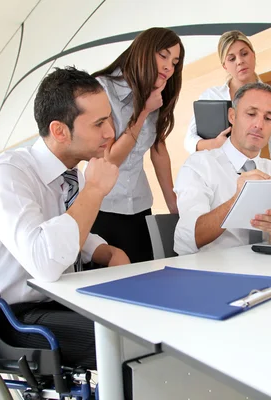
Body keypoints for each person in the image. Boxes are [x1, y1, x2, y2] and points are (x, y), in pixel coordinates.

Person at [0, 66, 129, 369]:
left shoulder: (72, 176)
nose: (110, 132)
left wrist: (105, 251)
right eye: (99, 123)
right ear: (59, 130)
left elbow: (70, 230)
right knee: (123, 339)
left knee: (143, 317)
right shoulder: (9, 174)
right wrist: (94, 190)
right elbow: (45, 261)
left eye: (108, 118)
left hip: (60, 298)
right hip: (13, 316)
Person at [174, 82, 271, 255]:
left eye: (268, 118)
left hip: (268, 267)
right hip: (215, 273)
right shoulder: (198, 165)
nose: (259, 124)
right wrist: (236, 201)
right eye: (251, 114)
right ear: (232, 116)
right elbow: (186, 239)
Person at [91, 27, 185, 263]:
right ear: (143, 51)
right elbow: (110, 159)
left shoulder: (158, 93)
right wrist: (143, 111)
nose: (168, 67)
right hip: (102, 207)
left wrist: (173, 203)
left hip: (140, 206)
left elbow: (158, 150)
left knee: (145, 280)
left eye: (174, 62)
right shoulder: (103, 89)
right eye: (163, 56)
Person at [183, 30, 271, 171]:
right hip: (213, 173)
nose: (240, 61)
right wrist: (215, 144)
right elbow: (189, 141)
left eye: (244, 53)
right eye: (231, 58)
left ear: (253, 55)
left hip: (250, 173)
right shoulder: (211, 96)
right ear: (224, 65)